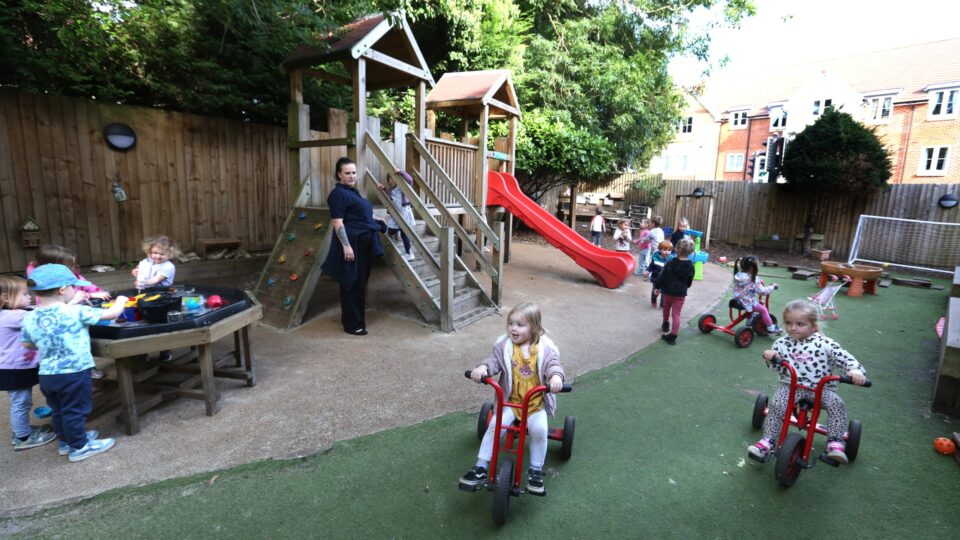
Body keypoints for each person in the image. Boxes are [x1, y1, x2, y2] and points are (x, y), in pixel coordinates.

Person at [20, 264, 127, 462]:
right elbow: (111, 315)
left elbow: (27, 344)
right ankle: (80, 447)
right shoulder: (75, 311)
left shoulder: (30, 316)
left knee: (59, 410)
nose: (76, 291)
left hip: (47, 374)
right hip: (74, 371)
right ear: (62, 289)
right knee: (75, 411)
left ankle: (65, 442)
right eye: (73, 287)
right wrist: (121, 300)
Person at [459, 302, 565, 496]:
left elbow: (553, 365)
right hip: (511, 402)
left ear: (533, 327)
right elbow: (493, 361)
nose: (513, 328)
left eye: (520, 325)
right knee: (494, 427)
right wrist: (483, 369)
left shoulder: (544, 349)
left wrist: (556, 378)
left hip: (534, 404)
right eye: (511, 323)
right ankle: (481, 466)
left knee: (540, 430)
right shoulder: (505, 347)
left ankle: (535, 470)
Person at [748, 299, 867, 464]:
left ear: (814, 326)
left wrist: (854, 371)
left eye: (800, 324)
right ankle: (767, 442)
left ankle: (835, 443)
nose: (793, 328)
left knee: (837, 405)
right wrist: (771, 357)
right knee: (776, 404)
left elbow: (844, 357)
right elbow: (777, 368)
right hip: (791, 386)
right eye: (789, 323)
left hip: (822, 390)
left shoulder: (825, 344)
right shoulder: (782, 344)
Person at [321, 157, 388, 336]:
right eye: (347, 173)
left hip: (363, 245)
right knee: (352, 283)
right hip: (353, 246)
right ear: (339, 175)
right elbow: (338, 222)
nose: (351, 176)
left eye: (353, 173)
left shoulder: (353, 192)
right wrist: (346, 246)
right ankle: (352, 325)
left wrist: (374, 220)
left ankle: (352, 319)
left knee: (360, 283)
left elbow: (356, 216)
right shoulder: (337, 194)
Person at [1, 275, 56, 451]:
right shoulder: (12, 317)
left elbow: (33, 310)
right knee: (21, 402)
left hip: (17, 367)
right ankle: (22, 437)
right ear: (6, 298)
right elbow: (41, 316)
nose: (30, 297)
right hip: (13, 370)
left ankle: (22, 430)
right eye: (25, 294)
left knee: (21, 401)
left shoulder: (11, 313)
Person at [27, 245, 111, 301]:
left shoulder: (69, 274)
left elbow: (87, 286)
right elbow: (67, 298)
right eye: (70, 265)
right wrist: (90, 296)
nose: (74, 267)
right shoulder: (46, 285)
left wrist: (101, 293)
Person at [654, 238, 695, 345]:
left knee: (666, 308)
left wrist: (657, 287)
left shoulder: (670, 263)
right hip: (680, 294)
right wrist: (686, 286)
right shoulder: (691, 266)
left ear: (677, 249)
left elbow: (662, 276)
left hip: (668, 291)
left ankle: (665, 324)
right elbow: (689, 281)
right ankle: (673, 336)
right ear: (691, 251)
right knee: (676, 314)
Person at [732, 256, 782, 335]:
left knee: (752, 304)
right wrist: (773, 287)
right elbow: (762, 292)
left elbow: (748, 285)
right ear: (753, 268)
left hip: (737, 300)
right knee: (763, 310)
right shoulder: (754, 279)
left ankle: (749, 321)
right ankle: (771, 328)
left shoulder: (738, 275)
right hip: (747, 302)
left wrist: (758, 282)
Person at [380, 168, 416, 261]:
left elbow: (410, 180)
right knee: (391, 230)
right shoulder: (391, 190)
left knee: (405, 233)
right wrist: (383, 189)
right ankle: (396, 232)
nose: (392, 180)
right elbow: (389, 197)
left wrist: (400, 172)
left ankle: (409, 253)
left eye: (394, 177)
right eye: (390, 178)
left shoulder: (402, 188)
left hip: (404, 214)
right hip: (396, 214)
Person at [647, 240, 674, 308]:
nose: (667, 252)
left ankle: (662, 304)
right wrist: (648, 271)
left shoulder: (671, 259)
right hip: (656, 278)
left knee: (664, 293)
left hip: (666, 279)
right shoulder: (655, 258)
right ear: (660, 250)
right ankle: (654, 300)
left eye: (669, 250)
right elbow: (651, 266)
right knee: (655, 291)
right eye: (665, 250)